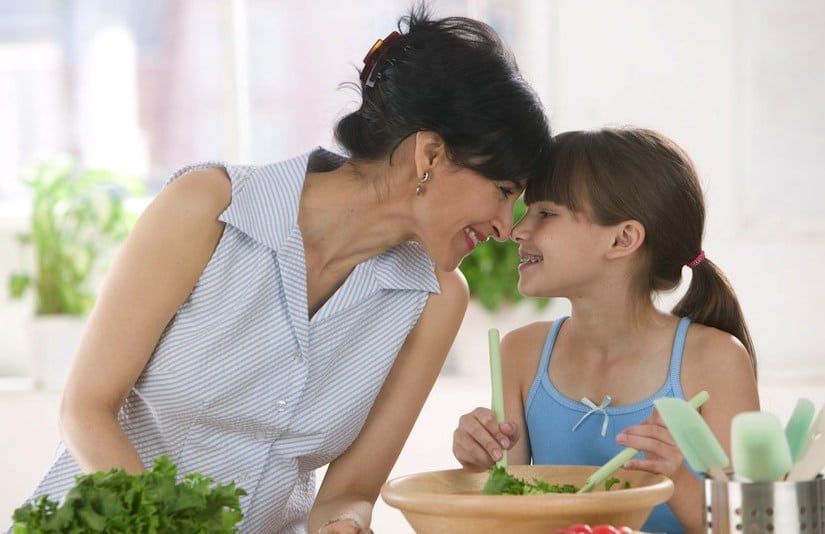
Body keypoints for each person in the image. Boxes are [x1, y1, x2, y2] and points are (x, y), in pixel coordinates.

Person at [19, 6, 552, 534]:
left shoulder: (435, 300)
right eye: (503, 192)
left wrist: (344, 525)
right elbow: (87, 409)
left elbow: (349, 493)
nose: (506, 227)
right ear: (430, 154)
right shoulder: (209, 208)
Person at [451, 127, 759, 533]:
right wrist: (481, 466)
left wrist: (678, 481)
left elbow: (753, 527)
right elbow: (510, 516)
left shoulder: (716, 360)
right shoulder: (520, 354)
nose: (517, 231)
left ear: (623, 238)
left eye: (545, 213)